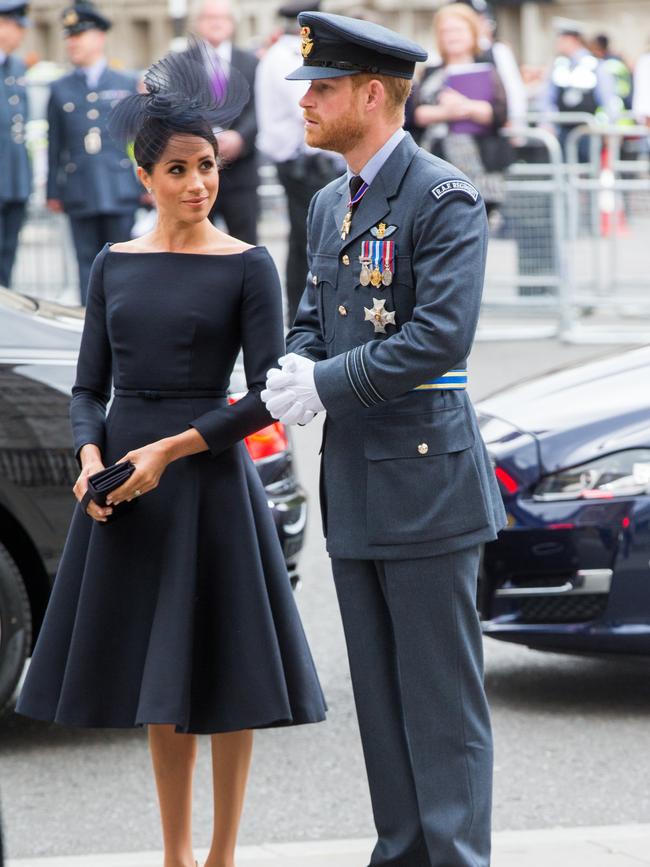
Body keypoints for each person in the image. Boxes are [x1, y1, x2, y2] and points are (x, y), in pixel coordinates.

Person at [16, 39, 326, 867]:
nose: (198, 185)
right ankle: (176, 853)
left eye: (208, 167)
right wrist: (90, 458)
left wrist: (173, 450)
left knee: (222, 679)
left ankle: (222, 853)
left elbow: (264, 393)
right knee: (161, 677)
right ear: (145, 177)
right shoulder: (113, 263)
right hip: (125, 484)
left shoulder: (248, 265)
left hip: (206, 477)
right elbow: (88, 387)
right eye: (180, 171)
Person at [262, 11, 506, 867]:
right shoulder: (332, 200)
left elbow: (442, 334)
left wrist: (324, 382)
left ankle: (455, 858)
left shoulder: (443, 195)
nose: (307, 104)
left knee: (441, 704)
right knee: (380, 698)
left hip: (427, 481)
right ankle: (401, 853)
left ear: (373, 94)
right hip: (359, 483)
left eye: (322, 89)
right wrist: (294, 367)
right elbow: (310, 316)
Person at [46, 2, 141, 305]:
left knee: (123, 262)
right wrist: (53, 190)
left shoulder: (125, 83)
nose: (73, 42)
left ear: (100, 37)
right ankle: (90, 327)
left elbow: (139, 138)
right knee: (86, 265)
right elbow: (55, 144)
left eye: (81, 34)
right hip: (80, 189)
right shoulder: (60, 88)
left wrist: (146, 183)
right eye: (69, 36)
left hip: (120, 187)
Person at [255, 0, 341, 326]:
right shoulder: (285, 56)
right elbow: (307, 109)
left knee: (306, 241)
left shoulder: (281, 54)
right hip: (303, 165)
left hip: (306, 163)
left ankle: (304, 316)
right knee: (311, 243)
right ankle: (303, 318)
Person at [412, 3, 513, 216]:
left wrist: (465, 107)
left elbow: (499, 113)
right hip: (436, 157)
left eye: (458, 30)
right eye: (446, 31)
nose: (452, 36)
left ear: (472, 32)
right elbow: (415, 113)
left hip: (480, 162)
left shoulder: (488, 68)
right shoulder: (430, 72)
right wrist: (446, 112)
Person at [192, 0, 259, 246]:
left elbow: (259, 110)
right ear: (199, 23)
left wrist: (240, 138)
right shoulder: (181, 63)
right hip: (196, 174)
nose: (216, 23)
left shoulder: (250, 63)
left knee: (244, 245)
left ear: (232, 24)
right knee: (196, 245)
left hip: (240, 171)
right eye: (210, 17)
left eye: (222, 17)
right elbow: (176, 109)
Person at [542, 18, 617, 158]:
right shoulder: (558, 65)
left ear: (573, 39)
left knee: (588, 171)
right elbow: (547, 97)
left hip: (588, 131)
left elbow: (608, 99)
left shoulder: (594, 65)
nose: (558, 43)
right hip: (562, 130)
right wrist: (547, 123)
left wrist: (607, 126)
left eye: (562, 38)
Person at [0, 1, 30, 288]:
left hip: (14, 182)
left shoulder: (16, 66)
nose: (22, 34)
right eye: (17, 26)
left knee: (7, 262)